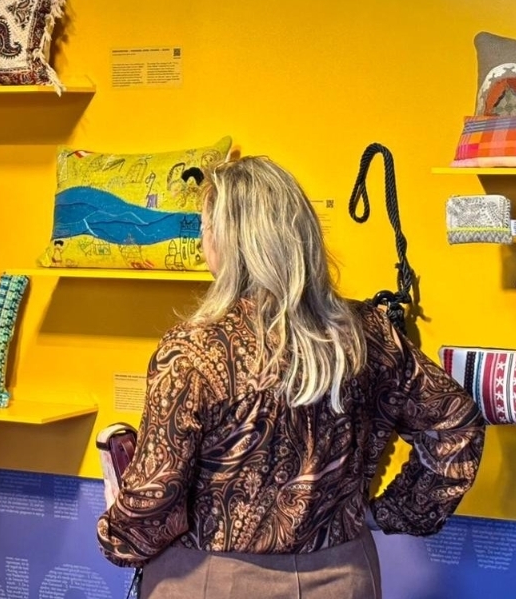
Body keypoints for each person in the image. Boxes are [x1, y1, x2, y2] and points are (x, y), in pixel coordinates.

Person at [97, 156, 487, 599]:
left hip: (210, 579)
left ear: (228, 241)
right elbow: (456, 424)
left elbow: (153, 499)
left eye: (205, 228)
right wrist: (393, 512)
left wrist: (117, 536)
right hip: (343, 576)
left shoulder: (193, 350)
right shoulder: (370, 334)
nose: (203, 241)